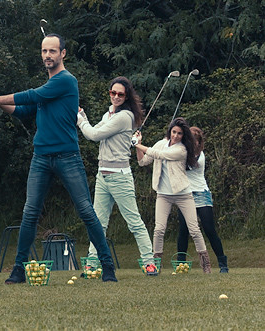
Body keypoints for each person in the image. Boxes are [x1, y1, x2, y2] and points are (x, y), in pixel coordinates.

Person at [0, 34, 118, 283]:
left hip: (67, 156)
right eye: (44, 51)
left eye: (52, 51)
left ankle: (107, 266)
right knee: (30, 212)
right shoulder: (47, 89)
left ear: (63, 53)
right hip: (41, 157)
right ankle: (19, 269)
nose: (47, 55)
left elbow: (31, 95)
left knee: (85, 210)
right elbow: (21, 111)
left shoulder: (66, 81)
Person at [77, 77, 157, 275]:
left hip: (119, 176)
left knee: (134, 222)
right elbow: (100, 130)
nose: (116, 97)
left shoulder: (125, 116)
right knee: (98, 223)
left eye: (120, 94)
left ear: (126, 96)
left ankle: (149, 263)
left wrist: (80, 119)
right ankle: (91, 264)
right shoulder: (109, 114)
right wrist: (84, 116)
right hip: (102, 175)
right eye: (113, 93)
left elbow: (94, 135)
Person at [134, 117, 212, 273]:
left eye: (180, 133)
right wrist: (137, 145)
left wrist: (137, 144)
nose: (176, 136)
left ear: (184, 136)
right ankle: (156, 264)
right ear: (170, 131)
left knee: (194, 229)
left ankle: (206, 266)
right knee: (159, 229)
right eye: (174, 132)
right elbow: (143, 162)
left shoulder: (182, 149)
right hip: (163, 194)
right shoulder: (161, 144)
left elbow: (160, 155)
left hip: (183, 194)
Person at [176, 127, 228, 272]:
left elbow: (186, 164)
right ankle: (181, 265)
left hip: (201, 194)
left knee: (209, 229)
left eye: (194, 140)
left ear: (199, 142)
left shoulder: (198, 155)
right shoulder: (181, 151)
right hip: (185, 195)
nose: (191, 143)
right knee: (183, 230)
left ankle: (223, 263)